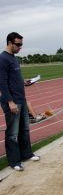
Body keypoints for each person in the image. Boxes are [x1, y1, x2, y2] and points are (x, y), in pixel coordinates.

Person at [0, 32, 40, 171]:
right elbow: (2, 82)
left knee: (25, 129)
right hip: (12, 101)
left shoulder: (14, 58)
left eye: (21, 44)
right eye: (18, 44)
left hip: (21, 99)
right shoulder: (3, 59)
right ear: (10, 43)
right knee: (12, 133)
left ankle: (26, 154)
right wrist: (10, 102)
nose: (20, 47)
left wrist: (24, 81)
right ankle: (14, 161)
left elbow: (13, 78)